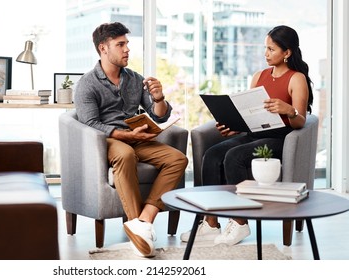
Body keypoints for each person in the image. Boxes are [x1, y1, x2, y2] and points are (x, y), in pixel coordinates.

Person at [181, 25, 314, 245]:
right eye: (265, 48)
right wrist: (235, 126)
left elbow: (300, 122)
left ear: (287, 52)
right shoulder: (259, 76)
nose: (266, 54)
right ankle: (211, 223)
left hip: (281, 139)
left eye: (271, 49)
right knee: (212, 154)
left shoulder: (296, 78)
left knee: (235, 156)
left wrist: (288, 110)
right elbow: (250, 113)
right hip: (255, 133)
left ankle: (240, 223)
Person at [74, 22, 188, 257]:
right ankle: (138, 227)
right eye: (121, 44)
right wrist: (125, 135)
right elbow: (90, 124)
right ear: (103, 48)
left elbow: (160, 114)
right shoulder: (87, 84)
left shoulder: (135, 79)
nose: (127, 49)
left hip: (137, 138)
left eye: (127, 44)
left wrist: (158, 98)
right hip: (108, 140)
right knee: (125, 154)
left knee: (178, 159)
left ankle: (143, 222)